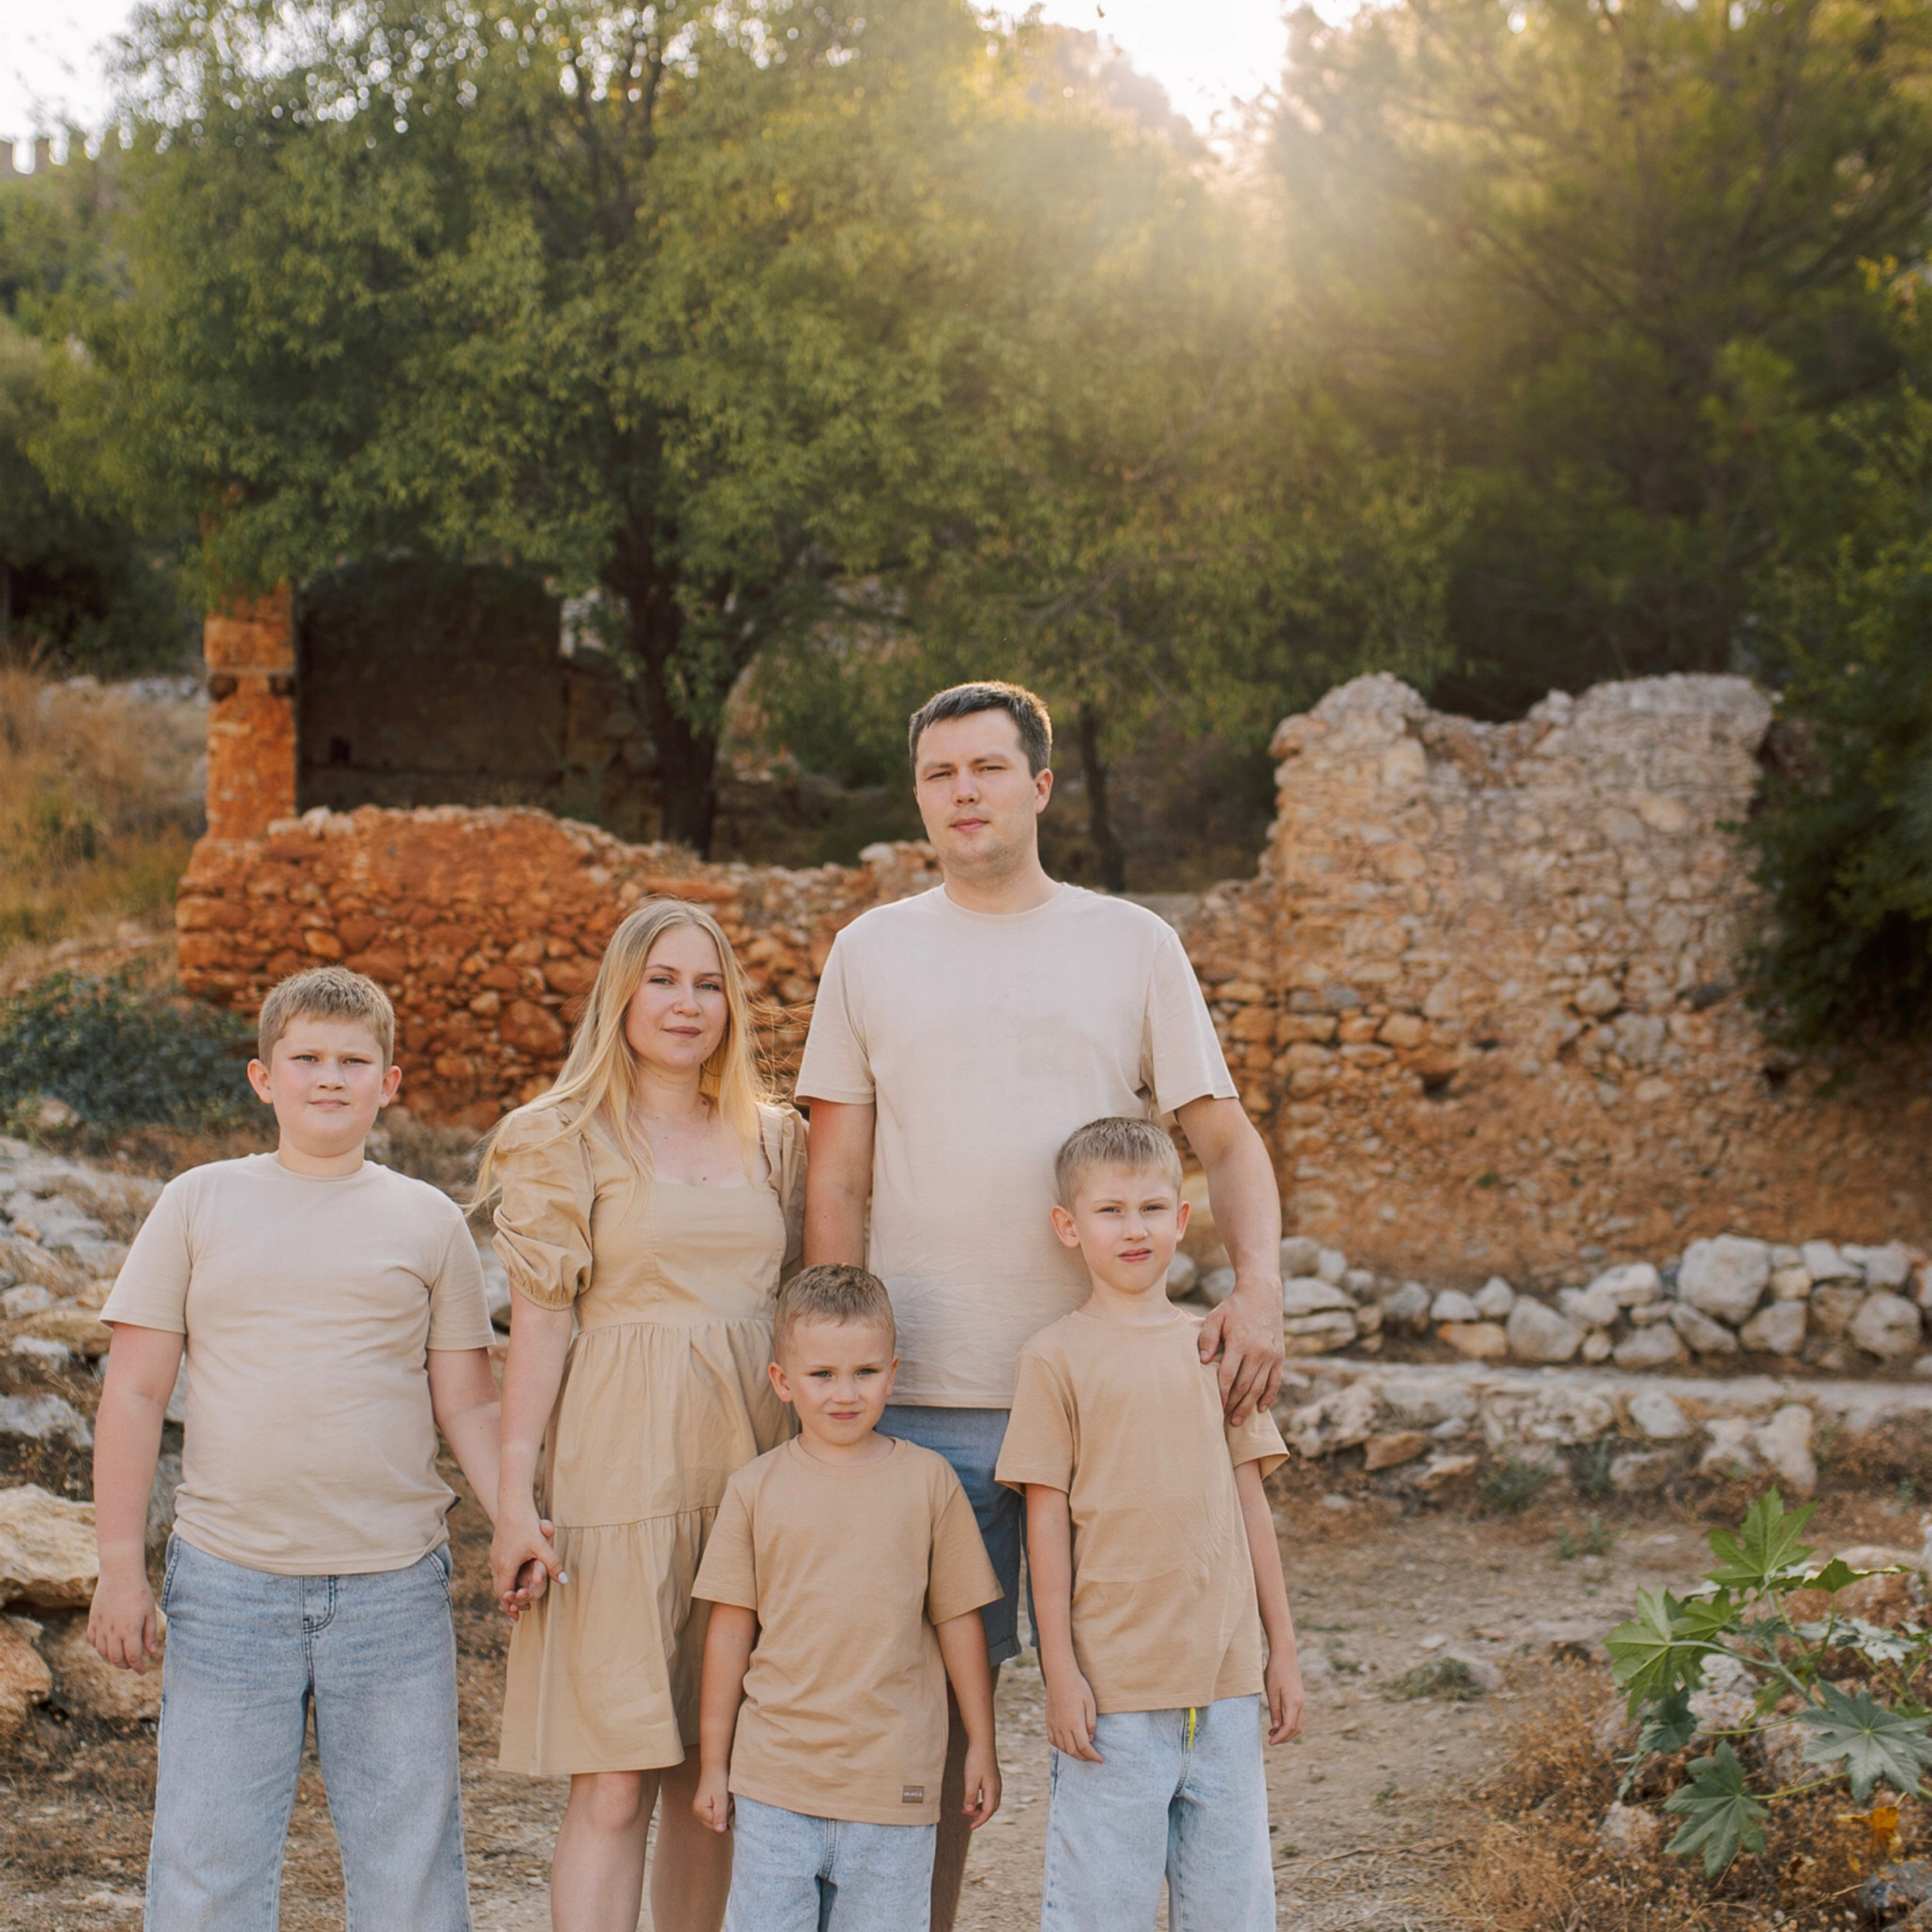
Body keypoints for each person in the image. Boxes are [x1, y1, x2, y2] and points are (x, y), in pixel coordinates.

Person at [796, 679, 1287, 1926]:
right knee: (915, 1733)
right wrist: (826, 1372)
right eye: (938, 774)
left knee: (1124, 1719)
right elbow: (838, 1175)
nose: (962, 791)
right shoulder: (869, 951)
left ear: (1040, 786)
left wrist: (1261, 1291)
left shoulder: (1132, 943)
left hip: (1121, 1409)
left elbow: (1226, 1145)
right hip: (921, 1410)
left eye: (985, 768)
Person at [88, 965, 501, 1932]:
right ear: (262, 1077)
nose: (329, 1076)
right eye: (305, 1057)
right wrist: (118, 1567)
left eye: (353, 1060)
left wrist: (515, 1515)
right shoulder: (199, 1203)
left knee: (410, 1866)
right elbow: (137, 1390)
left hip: (392, 1585)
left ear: (389, 1083)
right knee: (208, 1864)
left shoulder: (427, 1219)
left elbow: (469, 1405)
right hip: (230, 1581)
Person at [485, 899, 808, 1932]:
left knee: (715, 1779)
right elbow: (538, 1327)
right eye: (664, 979)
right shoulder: (560, 1137)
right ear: (620, 993)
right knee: (618, 1772)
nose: (687, 1003)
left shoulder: (780, 1140)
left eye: (709, 984)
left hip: (756, 1476)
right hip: (618, 1476)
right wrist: (511, 1499)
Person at [997, 1116, 1302, 1932]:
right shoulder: (1054, 1358)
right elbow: (1045, 1526)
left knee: (1233, 1912)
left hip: (1226, 1689)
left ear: (1181, 1218)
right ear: (1069, 1226)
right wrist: (1060, 1671)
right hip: (1115, 1701)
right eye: (1109, 1211)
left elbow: (1250, 1507)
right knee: (1103, 1910)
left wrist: (1282, 1651)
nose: (1132, 1228)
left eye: (1150, 1208)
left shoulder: (1215, 1347)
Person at [690, 1263, 1001, 1932]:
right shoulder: (755, 1490)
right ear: (782, 1382)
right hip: (776, 1785)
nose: (845, 1393)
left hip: (894, 1788)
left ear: (892, 1373)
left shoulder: (929, 1483)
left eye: (864, 1372)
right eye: (822, 1375)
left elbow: (959, 1619)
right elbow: (727, 1634)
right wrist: (715, 1764)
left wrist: (982, 1743)